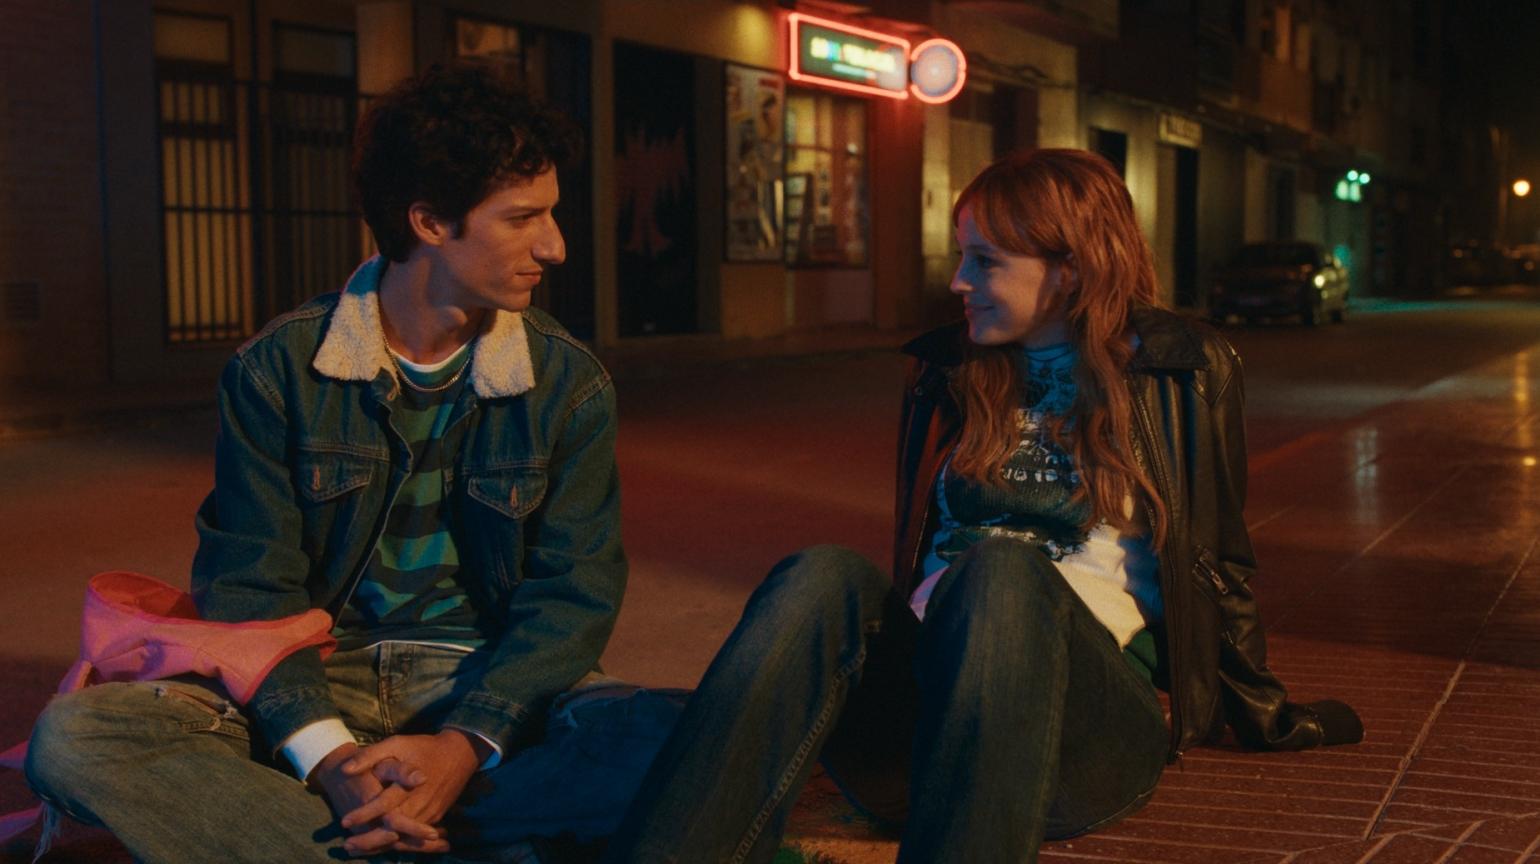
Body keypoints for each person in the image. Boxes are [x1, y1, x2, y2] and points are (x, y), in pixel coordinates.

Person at [604, 149, 1364, 863]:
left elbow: (1218, 559)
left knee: (1000, 567)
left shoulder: (1180, 369)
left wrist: (1266, 714)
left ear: (1070, 269)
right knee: (820, 572)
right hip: (923, 733)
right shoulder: (948, 369)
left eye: (986, 261)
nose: (959, 282)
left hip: (1086, 735)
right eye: (962, 257)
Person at [25, 61, 680, 863]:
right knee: (77, 738)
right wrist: (330, 759)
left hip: (484, 681)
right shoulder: (276, 371)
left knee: (683, 734)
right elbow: (251, 587)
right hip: (319, 679)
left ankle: (365, 831)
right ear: (429, 221)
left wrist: (464, 745)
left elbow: (574, 596)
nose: (556, 245)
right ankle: (426, 828)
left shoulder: (568, 384)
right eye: (522, 218)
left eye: (551, 213)